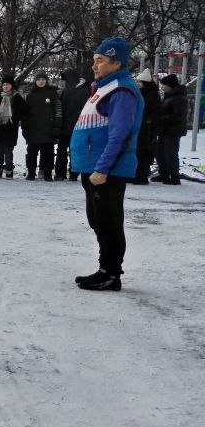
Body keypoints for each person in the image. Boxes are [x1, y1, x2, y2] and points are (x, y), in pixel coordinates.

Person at [71, 38, 144, 291]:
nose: (94, 65)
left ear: (117, 62)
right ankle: (105, 268)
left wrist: (102, 168)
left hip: (106, 170)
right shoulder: (105, 87)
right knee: (98, 219)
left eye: (100, 60)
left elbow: (120, 133)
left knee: (108, 220)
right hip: (93, 167)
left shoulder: (122, 90)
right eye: (94, 60)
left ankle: (111, 273)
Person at [22, 71, 62, 181]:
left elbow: (58, 111)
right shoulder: (30, 95)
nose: (41, 81)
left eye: (43, 79)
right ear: (35, 81)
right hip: (33, 130)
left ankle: (47, 173)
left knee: (48, 154)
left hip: (48, 130)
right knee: (31, 153)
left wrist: (56, 127)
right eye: (39, 79)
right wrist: (24, 127)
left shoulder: (53, 94)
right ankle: (31, 173)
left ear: (46, 81)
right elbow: (25, 113)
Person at [0, 77, 26, 178]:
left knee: (8, 151)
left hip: (10, 128)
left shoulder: (17, 97)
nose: (5, 86)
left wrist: (15, 119)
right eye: (4, 85)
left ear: (12, 86)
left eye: (8, 84)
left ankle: (9, 170)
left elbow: (24, 111)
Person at [56, 67, 90, 181]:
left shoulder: (83, 91)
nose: (63, 82)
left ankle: (73, 173)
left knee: (74, 151)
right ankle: (59, 173)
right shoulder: (64, 91)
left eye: (65, 79)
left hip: (76, 127)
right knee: (61, 151)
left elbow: (85, 111)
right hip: (63, 127)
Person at [155, 74, 187, 185]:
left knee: (170, 153)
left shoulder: (179, 98)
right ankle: (163, 174)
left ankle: (174, 176)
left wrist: (160, 118)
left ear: (169, 85)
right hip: (165, 129)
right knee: (160, 152)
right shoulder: (169, 96)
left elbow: (178, 116)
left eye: (163, 85)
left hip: (173, 130)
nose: (162, 87)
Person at [133, 68, 161, 184]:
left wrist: (148, 121)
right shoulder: (144, 93)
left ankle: (141, 175)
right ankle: (137, 174)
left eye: (140, 82)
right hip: (142, 126)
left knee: (143, 151)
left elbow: (154, 112)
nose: (138, 84)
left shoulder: (151, 95)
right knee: (139, 151)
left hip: (146, 128)